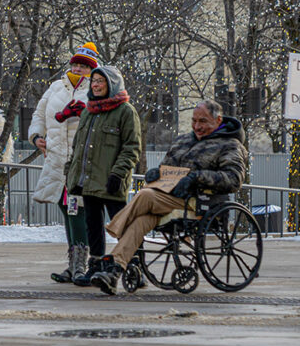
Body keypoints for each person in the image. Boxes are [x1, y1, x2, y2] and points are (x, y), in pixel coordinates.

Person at [95, 99, 247, 295]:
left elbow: (234, 179)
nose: (197, 126)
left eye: (203, 121)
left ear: (218, 121)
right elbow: (166, 167)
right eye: (194, 121)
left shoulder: (230, 145)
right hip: (168, 197)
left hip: (198, 201)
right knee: (141, 221)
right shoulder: (183, 140)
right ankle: (114, 269)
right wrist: (156, 173)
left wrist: (196, 178)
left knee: (146, 195)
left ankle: (113, 229)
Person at [63, 64, 141, 286]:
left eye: (101, 81)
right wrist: (72, 175)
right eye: (94, 81)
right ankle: (95, 267)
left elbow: (132, 147)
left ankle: (133, 267)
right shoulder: (88, 111)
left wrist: (118, 174)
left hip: (111, 182)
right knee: (93, 226)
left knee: (123, 227)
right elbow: (79, 147)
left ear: (112, 84)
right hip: (88, 182)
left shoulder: (126, 111)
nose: (96, 85)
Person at [29, 43, 99, 283]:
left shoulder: (97, 87)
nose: (79, 68)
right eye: (76, 64)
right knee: (64, 205)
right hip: (56, 158)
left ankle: (82, 264)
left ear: (92, 69)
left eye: (85, 66)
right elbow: (39, 115)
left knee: (77, 208)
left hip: (81, 159)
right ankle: (73, 263)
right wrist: (36, 136)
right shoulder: (56, 87)